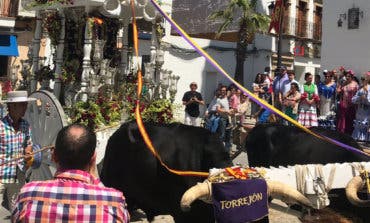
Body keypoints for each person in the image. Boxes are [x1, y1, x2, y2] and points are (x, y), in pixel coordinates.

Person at [12, 124, 130, 222]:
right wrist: (96, 179)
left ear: (54, 156)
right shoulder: (114, 203)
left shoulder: (27, 196)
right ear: (93, 158)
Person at [0, 91, 36, 210]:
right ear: (12, 106)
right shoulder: (1, 126)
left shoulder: (26, 125)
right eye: (22, 104)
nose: (25, 108)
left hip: (18, 174)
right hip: (1, 175)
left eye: (25, 104)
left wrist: (28, 152)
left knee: (16, 210)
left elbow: (28, 144)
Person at [336, 70, 359, 134]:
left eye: (348, 76)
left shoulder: (355, 84)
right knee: (342, 119)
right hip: (343, 104)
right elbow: (340, 92)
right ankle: (342, 132)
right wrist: (338, 91)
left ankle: (348, 133)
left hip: (351, 105)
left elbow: (357, 95)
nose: (347, 77)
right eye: (346, 76)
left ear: (352, 77)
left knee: (349, 119)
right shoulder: (344, 83)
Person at [352, 73, 370, 141]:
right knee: (358, 125)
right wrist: (360, 98)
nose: (363, 81)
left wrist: (366, 97)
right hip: (360, 111)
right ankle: (358, 139)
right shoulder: (360, 88)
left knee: (365, 125)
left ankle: (365, 139)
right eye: (362, 79)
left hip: (367, 112)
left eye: (365, 79)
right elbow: (353, 100)